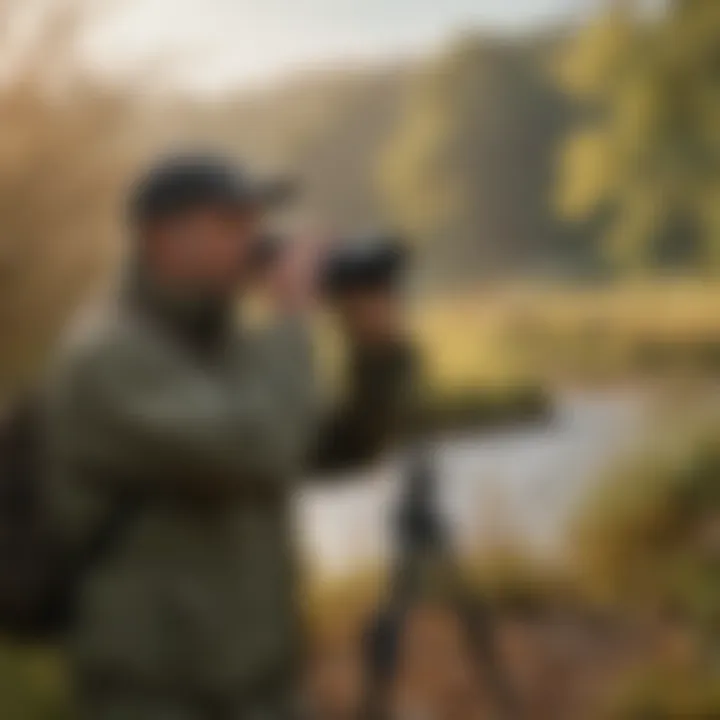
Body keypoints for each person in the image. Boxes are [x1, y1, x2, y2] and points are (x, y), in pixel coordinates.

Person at [42, 153, 415, 720]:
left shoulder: (231, 350)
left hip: (262, 689)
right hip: (155, 696)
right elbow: (257, 450)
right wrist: (292, 318)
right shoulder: (108, 358)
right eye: (231, 224)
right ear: (160, 238)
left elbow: (338, 450)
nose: (255, 242)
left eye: (254, 224)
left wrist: (377, 353)